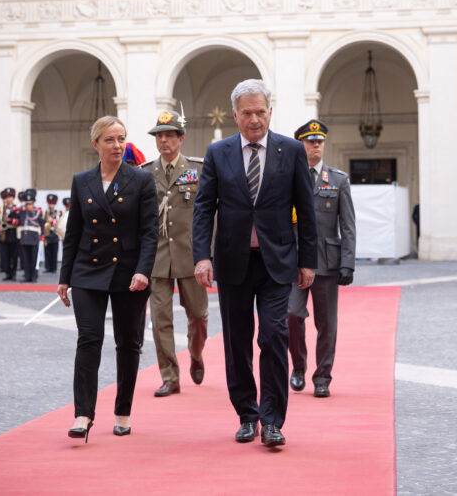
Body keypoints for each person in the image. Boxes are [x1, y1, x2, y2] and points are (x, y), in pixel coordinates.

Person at [192, 79, 318, 447]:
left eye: (260, 112)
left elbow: (307, 212)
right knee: (237, 342)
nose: (254, 119)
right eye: (246, 113)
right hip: (233, 262)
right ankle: (247, 414)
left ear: (270, 112)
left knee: (274, 335)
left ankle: (273, 419)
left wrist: (308, 261)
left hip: (277, 261)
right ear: (235, 115)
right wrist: (202, 256)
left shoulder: (291, 151)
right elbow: (203, 209)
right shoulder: (218, 153)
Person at [58, 115, 158, 441]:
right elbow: (73, 233)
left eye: (121, 139)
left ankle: (123, 411)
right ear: (96, 144)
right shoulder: (82, 180)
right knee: (88, 339)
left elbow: (149, 233)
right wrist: (64, 277)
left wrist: (143, 270)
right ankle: (82, 414)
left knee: (128, 343)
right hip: (88, 271)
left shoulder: (140, 181)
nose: (118, 146)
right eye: (110, 140)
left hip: (129, 272)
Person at [287, 119, 355, 398]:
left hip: (327, 262)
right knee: (291, 315)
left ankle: (323, 376)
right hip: (293, 261)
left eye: (320, 141)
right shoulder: (288, 177)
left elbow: (348, 224)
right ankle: (299, 367)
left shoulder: (338, 180)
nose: (316, 145)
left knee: (327, 323)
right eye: (310, 141)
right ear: (300, 144)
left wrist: (348, 262)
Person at [144, 111, 209, 397]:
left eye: (169, 135)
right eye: (159, 135)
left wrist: (208, 254)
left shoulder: (197, 169)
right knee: (160, 320)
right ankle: (170, 376)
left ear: (181, 139)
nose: (164, 140)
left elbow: (209, 215)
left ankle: (196, 353)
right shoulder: (146, 172)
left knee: (198, 316)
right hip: (157, 257)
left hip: (190, 255)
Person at [17, 191, 44, 283]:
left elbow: (43, 225)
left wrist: (42, 236)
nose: (29, 206)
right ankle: (27, 276)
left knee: (34, 259)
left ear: (33, 204)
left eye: (30, 204)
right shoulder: (21, 213)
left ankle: (34, 276)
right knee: (25, 259)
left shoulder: (38, 213)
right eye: (27, 204)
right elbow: (12, 216)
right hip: (24, 239)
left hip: (34, 239)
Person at [0, 188, 20, 281]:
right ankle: (7, 273)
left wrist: (10, 220)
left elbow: (20, 221)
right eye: (6, 197)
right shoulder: (1, 209)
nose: (8, 199)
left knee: (14, 256)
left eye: (10, 197)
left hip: (13, 233)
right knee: (5, 255)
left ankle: (13, 273)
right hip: (4, 234)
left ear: (13, 198)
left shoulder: (17, 209)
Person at [43, 194, 61, 273]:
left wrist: (52, 221)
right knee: (47, 252)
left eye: (52, 204)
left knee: (54, 252)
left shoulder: (58, 213)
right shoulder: (45, 213)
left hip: (54, 234)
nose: (51, 205)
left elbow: (59, 223)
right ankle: (47, 267)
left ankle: (53, 268)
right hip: (47, 234)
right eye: (50, 204)